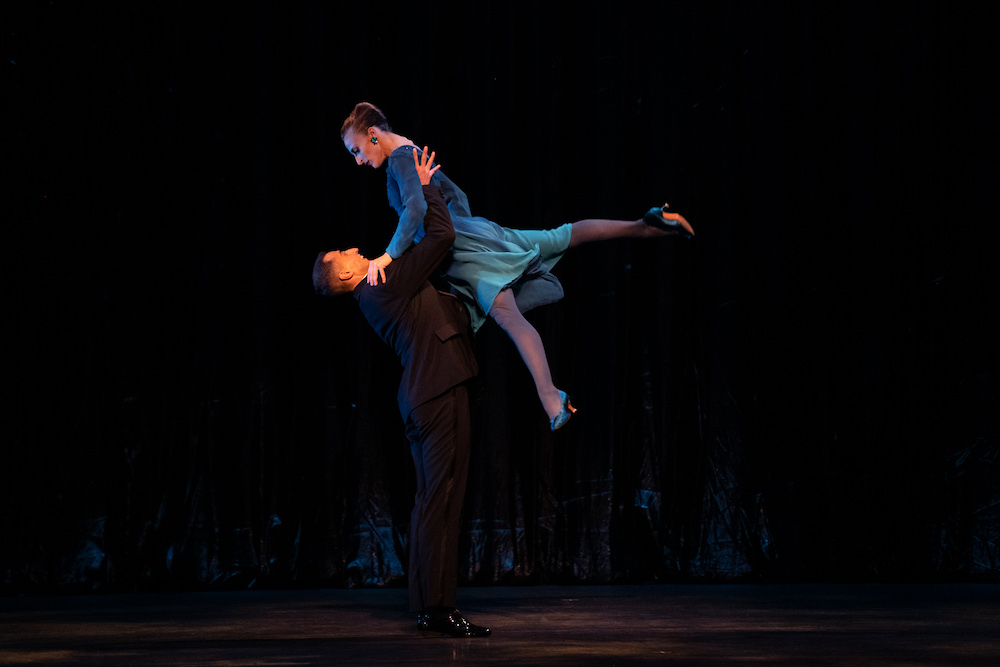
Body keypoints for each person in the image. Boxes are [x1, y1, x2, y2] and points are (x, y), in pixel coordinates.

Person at [340, 102, 694, 431]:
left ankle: (551, 397)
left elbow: (415, 211)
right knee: (561, 236)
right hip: (478, 232)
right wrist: (462, 226)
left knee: (509, 317)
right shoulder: (411, 149)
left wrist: (388, 256)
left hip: (464, 250)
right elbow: (458, 198)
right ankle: (643, 226)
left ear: (372, 133)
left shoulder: (400, 160)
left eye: (356, 150)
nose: (357, 161)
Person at [313, 148, 490, 638]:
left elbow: (417, 238)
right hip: (435, 391)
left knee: (435, 497)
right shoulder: (379, 284)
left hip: (427, 392)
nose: (352, 249)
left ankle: (428, 604)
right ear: (346, 274)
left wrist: (417, 191)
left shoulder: (377, 287)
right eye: (343, 254)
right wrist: (426, 189)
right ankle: (437, 608)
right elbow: (440, 235)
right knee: (441, 498)